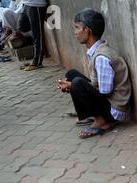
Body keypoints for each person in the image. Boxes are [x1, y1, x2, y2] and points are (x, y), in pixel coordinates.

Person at [57, 8, 132, 139]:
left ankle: (103, 122)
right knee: (72, 74)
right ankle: (88, 115)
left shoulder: (102, 57)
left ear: (88, 30)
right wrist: (72, 84)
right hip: (108, 102)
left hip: (115, 110)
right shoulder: (97, 50)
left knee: (77, 83)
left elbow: (105, 91)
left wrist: (72, 85)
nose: (75, 32)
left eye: (77, 28)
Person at [18, 0, 46, 71]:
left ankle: (37, 62)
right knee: (21, 26)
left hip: (35, 4)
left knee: (38, 34)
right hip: (25, 4)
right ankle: (37, 46)